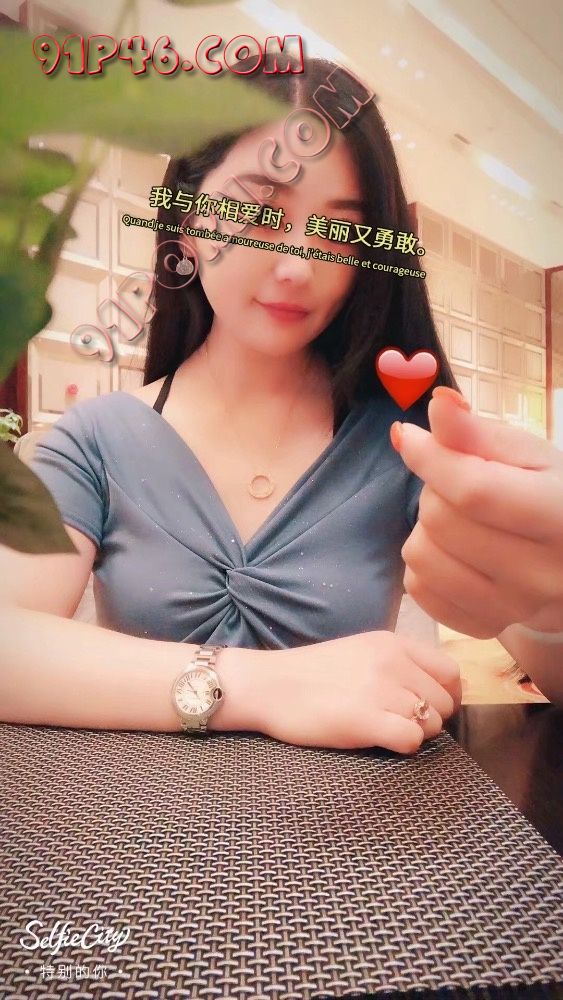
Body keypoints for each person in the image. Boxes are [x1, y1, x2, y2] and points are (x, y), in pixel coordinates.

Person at [1, 59, 562, 750]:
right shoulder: (94, 441)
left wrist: (552, 597)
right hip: (131, 817)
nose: (298, 265)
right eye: (260, 213)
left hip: (352, 817)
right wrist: (260, 686)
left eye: (339, 231)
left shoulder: (405, 445)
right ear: (188, 218)